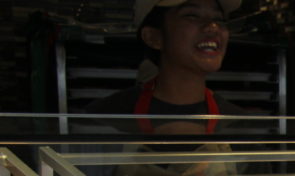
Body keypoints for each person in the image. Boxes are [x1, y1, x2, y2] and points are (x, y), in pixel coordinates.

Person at [87, 0, 245, 125]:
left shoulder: (238, 124)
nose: (213, 27)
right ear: (153, 37)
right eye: (192, 15)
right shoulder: (105, 117)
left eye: (218, 19)